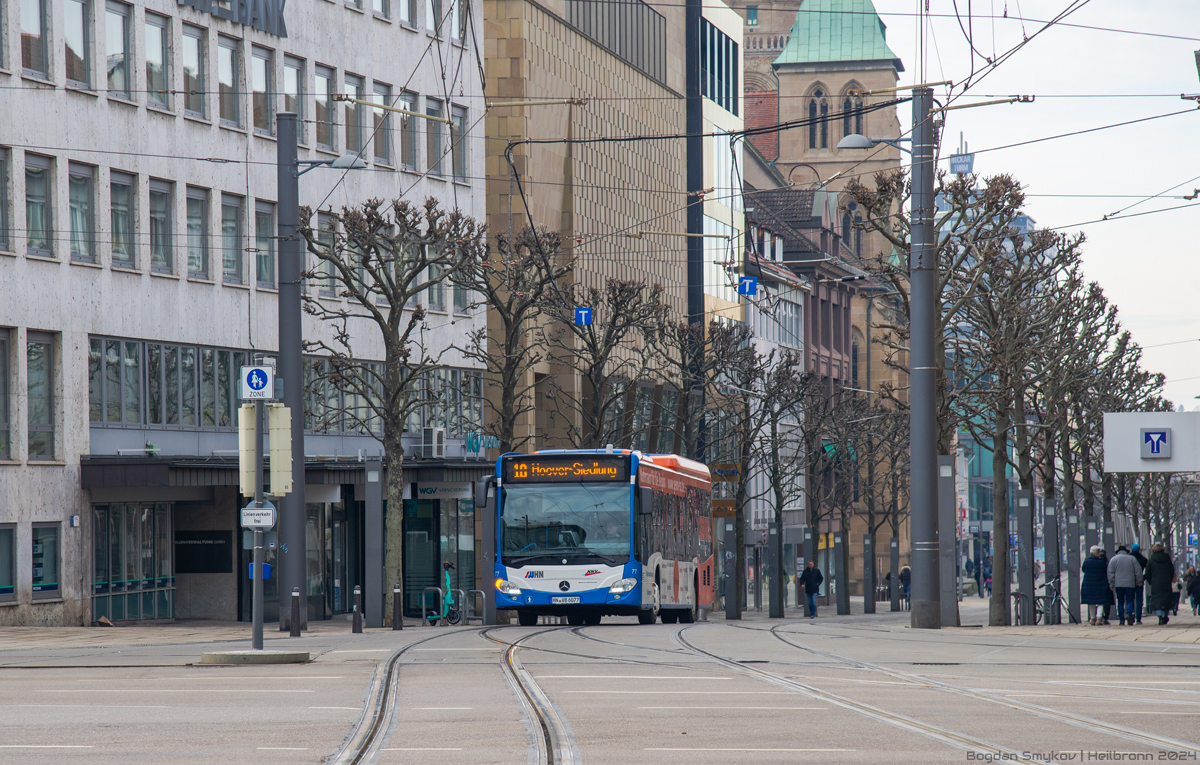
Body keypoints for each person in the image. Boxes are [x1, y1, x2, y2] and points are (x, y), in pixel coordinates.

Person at [1107, 544, 1143, 626]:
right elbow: (1138, 571)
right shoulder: (1132, 559)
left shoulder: (1113, 559)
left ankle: (1121, 620)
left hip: (1118, 584)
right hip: (1130, 584)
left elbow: (1110, 573)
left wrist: (1111, 584)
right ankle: (1129, 613)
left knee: (1120, 601)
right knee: (1129, 600)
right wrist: (1139, 581)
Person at [1145, 543, 1176, 625]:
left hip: (1156, 583)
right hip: (1166, 583)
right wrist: (1169, 579)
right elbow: (1172, 570)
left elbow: (1147, 573)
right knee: (1166, 599)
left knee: (1157, 599)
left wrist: (1151, 581)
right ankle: (1166, 615)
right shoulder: (1167, 559)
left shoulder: (1151, 560)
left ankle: (1160, 616)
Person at [1081, 546, 1109, 626]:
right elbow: (1105, 570)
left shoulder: (1086, 561)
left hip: (1089, 584)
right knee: (1100, 601)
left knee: (1091, 602)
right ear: (1097, 553)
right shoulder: (1101, 562)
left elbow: (1083, 569)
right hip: (1100, 584)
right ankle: (1099, 618)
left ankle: (1092, 618)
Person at [1130, 543, 1148, 625]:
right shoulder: (1143, 559)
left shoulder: (1128, 558)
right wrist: (1143, 578)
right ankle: (1138, 618)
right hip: (1139, 581)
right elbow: (1147, 571)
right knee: (1139, 600)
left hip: (1129, 581)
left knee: (1130, 599)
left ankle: (1131, 613)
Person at [1097, 547, 1113, 625]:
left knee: (1098, 601)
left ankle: (1097, 616)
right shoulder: (1108, 563)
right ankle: (1105, 617)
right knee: (1107, 602)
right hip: (1106, 584)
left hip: (1098, 584)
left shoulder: (1097, 562)